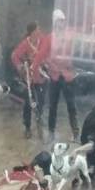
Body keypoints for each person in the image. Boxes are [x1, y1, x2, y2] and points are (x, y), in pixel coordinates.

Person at [35, 8, 78, 141]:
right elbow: (42, 55)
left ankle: (75, 132)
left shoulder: (69, 37)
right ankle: (51, 132)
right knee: (53, 106)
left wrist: (68, 63)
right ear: (55, 22)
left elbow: (72, 54)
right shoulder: (49, 38)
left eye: (63, 21)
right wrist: (48, 64)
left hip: (67, 75)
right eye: (59, 21)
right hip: (54, 76)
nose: (62, 23)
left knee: (71, 105)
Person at [11, 22, 49, 139]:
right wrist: (21, 67)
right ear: (32, 32)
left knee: (41, 100)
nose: (39, 31)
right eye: (37, 30)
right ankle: (27, 127)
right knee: (29, 102)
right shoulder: (25, 44)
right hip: (30, 78)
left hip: (42, 76)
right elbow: (15, 56)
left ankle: (39, 118)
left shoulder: (42, 40)